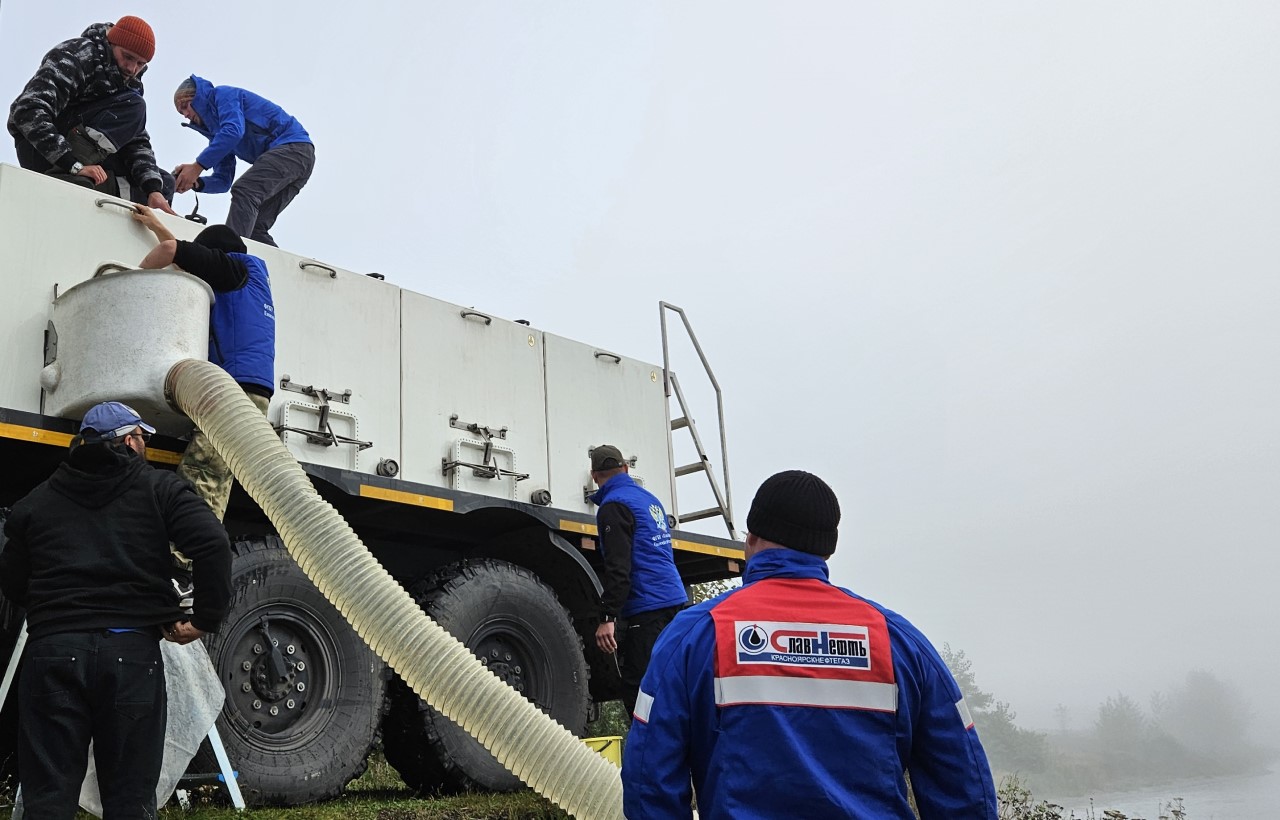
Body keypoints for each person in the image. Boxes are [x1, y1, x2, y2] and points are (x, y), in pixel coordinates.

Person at [621, 470, 998, 819]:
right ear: (827, 551)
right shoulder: (899, 640)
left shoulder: (695, 634)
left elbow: (648, 780)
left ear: (751, 538)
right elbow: (964, 787)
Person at [0, 401, 231, 820]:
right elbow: (212, 545)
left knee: (48, 797)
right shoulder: (159, 489)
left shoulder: (38, 500)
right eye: (144, 437)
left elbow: (13, 580)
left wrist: (57, 614)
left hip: (53, 653)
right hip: (130, 656)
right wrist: (205, 619)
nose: (146, 444)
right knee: (129, 797)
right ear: (129, 441)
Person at [133, 206, 276, 521]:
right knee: (219, 474)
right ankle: (197, 552)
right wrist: (158, 226)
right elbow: (184, 259)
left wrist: (133, 281)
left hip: (232, 389)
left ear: (216, 254)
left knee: (203, 470)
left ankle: (183, 556)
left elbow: (172, 252)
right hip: (249, 389)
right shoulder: (246, 279)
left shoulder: (234, 270)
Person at [8, 16, 177, 213]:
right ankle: (69, 177)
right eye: (128, 57)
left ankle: (93, 199)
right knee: (135, 104)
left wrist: (152, 189)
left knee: (162, 185)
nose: (132, 68)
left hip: (84, 158)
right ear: (111, 43)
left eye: (140, 64)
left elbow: (135, 141)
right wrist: (72, 164)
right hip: (41, 150)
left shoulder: (130, 84)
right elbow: (27, 109)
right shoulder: (79, 55)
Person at [589, 444, 688, 719]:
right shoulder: (649, 500)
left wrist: (607, 616)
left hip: (647, 608)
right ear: (625, 468)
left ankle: (649, 755)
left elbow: (619, 566)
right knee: (673, 684)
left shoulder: (613, 506)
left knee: (639, 690)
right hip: (675, 601)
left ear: (594, 475)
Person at [171, 75, 314, 247]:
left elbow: (233, 131)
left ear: (197, 97)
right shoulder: (218, 134)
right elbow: (224, 181)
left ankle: (229, 257)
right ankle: (275, 272)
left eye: (185, 107)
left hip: (294, 148)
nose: (186, 115)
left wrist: (197, 167)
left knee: (245, 191)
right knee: (255, 229)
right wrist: (196, 183)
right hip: (298, 161)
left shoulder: (223, 95)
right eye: (181, 113)